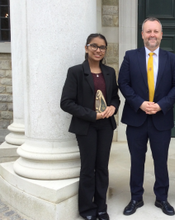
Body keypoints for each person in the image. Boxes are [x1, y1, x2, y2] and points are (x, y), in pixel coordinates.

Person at [118, 17, 175, 216]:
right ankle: (136, 197)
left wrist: (161, 105)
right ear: (142, 34)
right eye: (148, 31)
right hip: (136, 118)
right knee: (136, 160)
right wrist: (140, 103)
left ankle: (161, 198)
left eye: (156, 31)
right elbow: (123, 83)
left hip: (161, 119)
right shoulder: (130, 56)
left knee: (161, 161)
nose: (152, 35)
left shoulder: (171, 59)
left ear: (161, 35)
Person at [60, 33, 120, 220]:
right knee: (88, 168)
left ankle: (101, 207)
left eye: (102, 47)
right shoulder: (76, 72)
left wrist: (112, 107)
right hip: (86, 127)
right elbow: (66, 102)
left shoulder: (109, 72)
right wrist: (92, 115)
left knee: (102, 167)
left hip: (106, 126)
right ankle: (86, 209)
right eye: (94, 46)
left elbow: (115, 98)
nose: (98, 50)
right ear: (86, 48)